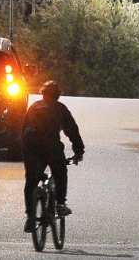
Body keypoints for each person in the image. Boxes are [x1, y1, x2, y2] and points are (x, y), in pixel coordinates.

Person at [21, 80, 85, 233]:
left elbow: (23, 129)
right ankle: (60, 205)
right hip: (50, 145)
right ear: (58, 95)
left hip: (30, 145)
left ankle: (30, 216)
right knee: (60, 172)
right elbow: (72, 131)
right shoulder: (60, 108)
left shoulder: (34, 107)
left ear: (42, 93)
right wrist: (78, 151)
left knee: (31, 179)